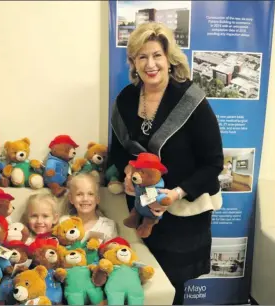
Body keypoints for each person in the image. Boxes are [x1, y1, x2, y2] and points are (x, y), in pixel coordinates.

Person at [107, 22, 223, 305]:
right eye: (142, 56)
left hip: (181, 214)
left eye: (157, 55)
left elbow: (213, 163)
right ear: (133, 62)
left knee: (171, 290)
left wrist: (175, 194)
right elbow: (119, 151)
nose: (150, 64)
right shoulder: (126, 99)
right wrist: (127, 173)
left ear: (168, 58)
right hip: (140, 210)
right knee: (141, 284)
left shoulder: (191, 100)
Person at [62, 173, 118, 243]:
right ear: (71, 199)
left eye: (90, 194)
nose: (85, 199)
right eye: (79, 194)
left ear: (97, 199)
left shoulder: (108, 226)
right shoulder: (64, 222)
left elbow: (113, 251)